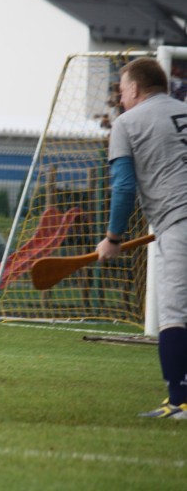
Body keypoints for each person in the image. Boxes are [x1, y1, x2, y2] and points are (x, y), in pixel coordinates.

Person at [96, 57, 187, 419]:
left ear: (134, 89)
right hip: (175, 220)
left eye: (121, 91)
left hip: (178, 221)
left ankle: (179, 402)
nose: (120, 99)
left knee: (174, 314)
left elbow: (123, 187)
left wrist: (113, 237)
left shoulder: (127, 123)